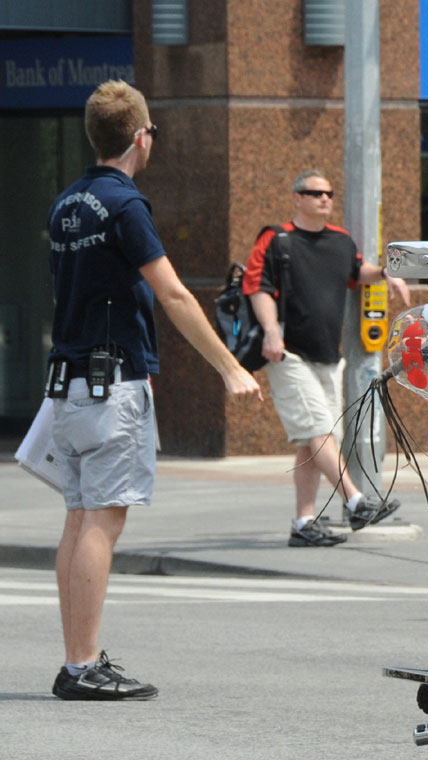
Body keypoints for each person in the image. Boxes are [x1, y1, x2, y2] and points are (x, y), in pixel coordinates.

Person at [46, 80, 263, 700]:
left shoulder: (66, 203)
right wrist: (228, 366)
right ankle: (83, 666)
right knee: (102, 522)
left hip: (68, 383)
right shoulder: (124, 204)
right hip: (110, 384)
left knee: (79, 517)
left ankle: (74, 659)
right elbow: (171, 292)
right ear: (142, 137)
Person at [244, 170, 410, 546]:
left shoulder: (340, 241)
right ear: (296, 198)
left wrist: (386, 273)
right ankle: (355, 502)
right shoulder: (276, 239)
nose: (324, 198)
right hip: (287, 355)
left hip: (328, 357)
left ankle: (305, 523)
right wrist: (271, 331)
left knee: (313, 441)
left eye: (329, 193)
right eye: (314, 193)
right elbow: (257, 287)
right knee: (318, 429)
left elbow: (358, 273)